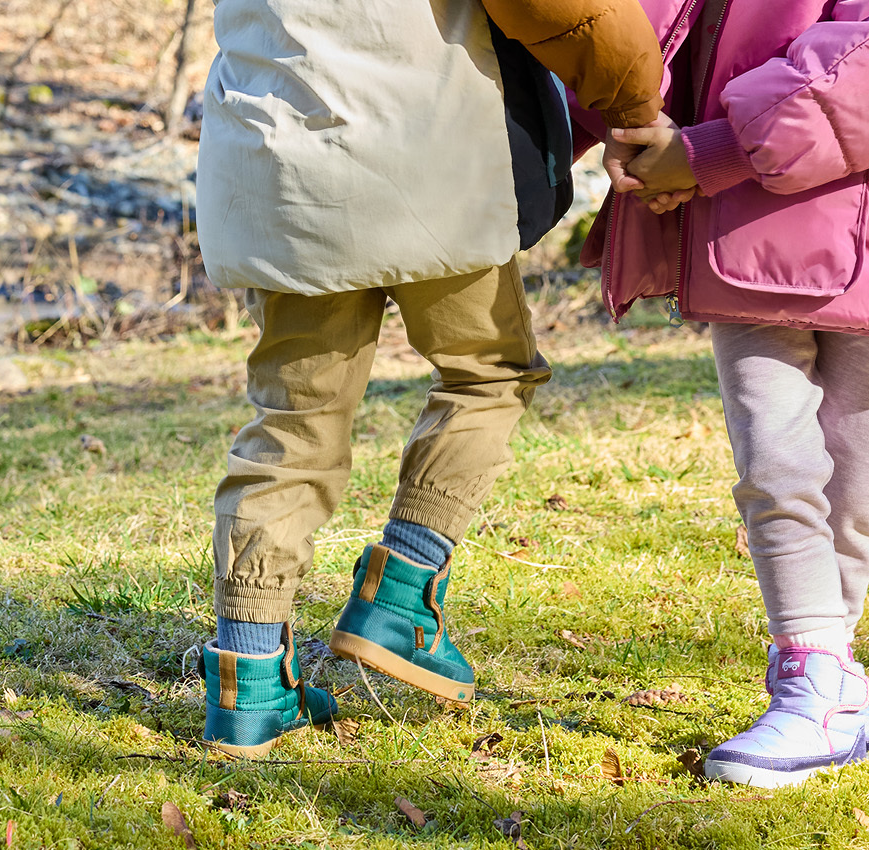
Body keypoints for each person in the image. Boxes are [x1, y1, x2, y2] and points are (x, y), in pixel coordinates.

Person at [193, 0, 665, 757]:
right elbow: (569, 11)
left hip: (279, 166)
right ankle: (402, 597)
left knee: (291, 422)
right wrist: (636, 100)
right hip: (427, 157)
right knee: (490, 374)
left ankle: (247, 684)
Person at [577, 0, 869, 787]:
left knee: (858, 478)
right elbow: (622, 33)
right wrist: (605, 129)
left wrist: (705, 150)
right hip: (742, 241)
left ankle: (831, 677)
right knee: (775, 463)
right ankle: (813, 673)